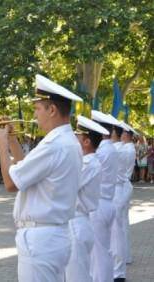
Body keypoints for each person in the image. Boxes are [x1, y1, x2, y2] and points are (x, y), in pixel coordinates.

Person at [0, 74, 83, 282]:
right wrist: (11, 140)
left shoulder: (53, 145)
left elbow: (11, 184)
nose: (35, 115)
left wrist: (1, 145)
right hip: (53, 237)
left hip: (41, 240)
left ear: (52, 110)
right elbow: (25, 169)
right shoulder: (66, 140)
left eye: (37, 108)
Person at [65, 115, 107, 282]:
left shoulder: (88, 163)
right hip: (75, 222)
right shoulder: (85, 161)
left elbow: (65, 184)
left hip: (77, 223)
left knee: (77, 277)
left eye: (77, 136)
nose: (73, 138)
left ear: (86, 142)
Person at [90, 110, 119, 282]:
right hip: (107, 201)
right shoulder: (112, 149)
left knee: (99, 253)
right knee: (103, 250)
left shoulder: (102, 151)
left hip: (99, 203)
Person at [110, 118, 130, 282]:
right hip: (119, 188)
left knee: (116, 232)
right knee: (119, 230)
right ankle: (118, 269)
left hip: (116, 190)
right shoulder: (120, 148)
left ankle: (118, 271)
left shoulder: (116, 150)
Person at [121, 123, 138, 265]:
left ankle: (123, 256)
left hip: (121, 186)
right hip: (124, 185)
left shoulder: (125, 149)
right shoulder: (127, 148)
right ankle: (125, 255)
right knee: (122, 223)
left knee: (119, 225)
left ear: (126, 135)